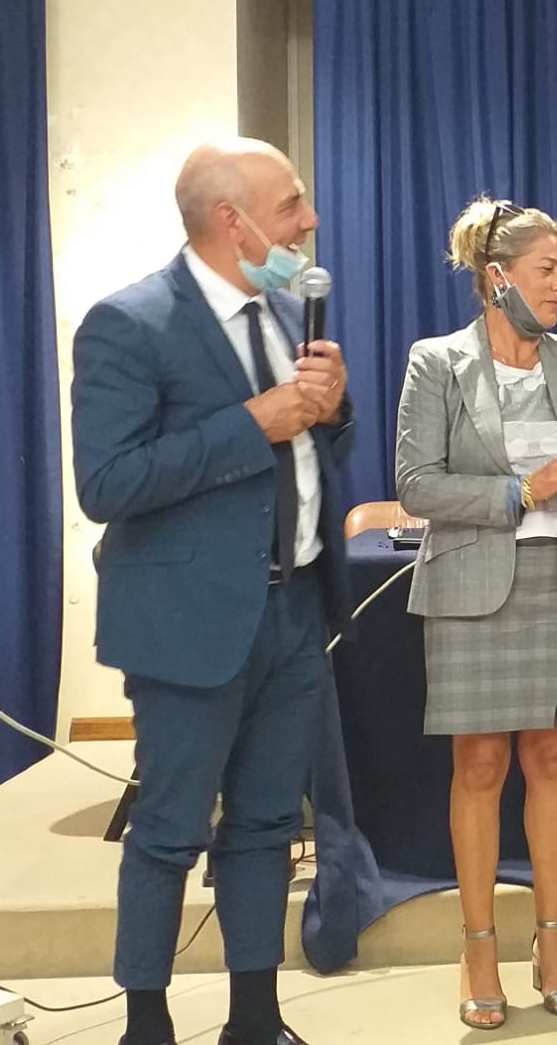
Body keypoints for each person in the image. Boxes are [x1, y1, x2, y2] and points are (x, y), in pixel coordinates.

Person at [72, 138, 351, 1045]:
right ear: (232, 221)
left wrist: (332, 411)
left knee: (268, 826)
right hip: (187, 623)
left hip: (293, 611)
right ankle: (145, 1025)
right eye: (291, 205)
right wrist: (250, 424)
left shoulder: (285, 313)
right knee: (167, 830)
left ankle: (255, 1020)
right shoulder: (130, 323)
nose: (309, 221)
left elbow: (306, 457)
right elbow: (106, 483)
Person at [394, 197, 557, 1029]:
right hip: (472, 585)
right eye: (546, 270)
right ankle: (479, 947)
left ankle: (552, 942)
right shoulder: (437, 361)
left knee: (555, 760)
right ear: (498, 278)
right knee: (482, 767)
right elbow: (415, 485)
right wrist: (523, 490)